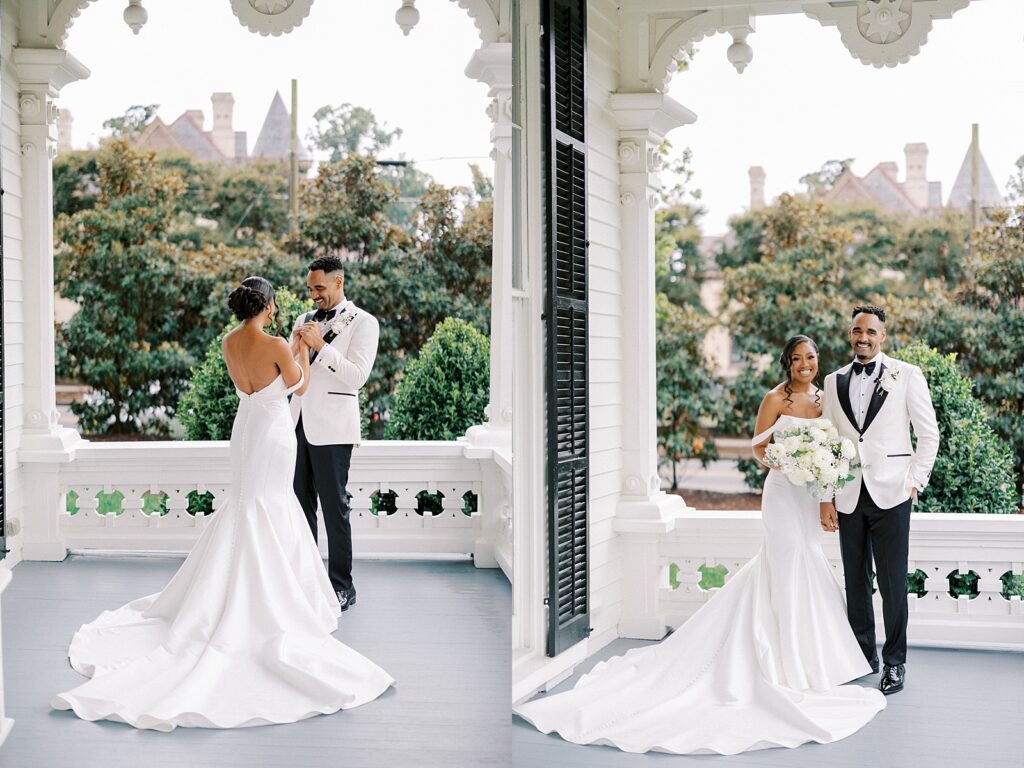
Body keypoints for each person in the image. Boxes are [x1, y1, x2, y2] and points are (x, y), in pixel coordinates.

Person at [512, 335, 885, 755]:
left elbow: (834, 451)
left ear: (819, 361)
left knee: (807, 559)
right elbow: (759, 447)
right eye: (797, 359)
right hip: (782, 494)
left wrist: (823, 491)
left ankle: (820, 658)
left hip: (808, 496)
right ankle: (787, 661)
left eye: (811, 358)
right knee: (789, 560)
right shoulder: (775, 398)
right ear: (787, 363)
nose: (805, 365)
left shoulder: (824, 399)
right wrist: (791, 460)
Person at [51, 276, 393, 731]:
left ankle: (236, 587)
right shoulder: (275, 343)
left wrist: (290, 351)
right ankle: (277, 596)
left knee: (249, 502)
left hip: (246, 428)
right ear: (268, 305)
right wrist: (304, 353)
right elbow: (300, 386)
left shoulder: (230, 342)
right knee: (272, 503)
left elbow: (262, 379)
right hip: (273, 432)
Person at [819, 305, 939, 695]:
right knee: (855, 581)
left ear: (882, 335)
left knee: (891, 584)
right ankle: (862, 654)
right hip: (849, 494)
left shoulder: (907, 375)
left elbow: (929, 435)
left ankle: (894, 662)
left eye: (871, 331)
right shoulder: (833, 380)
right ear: (850, 334)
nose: (863, 337)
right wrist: (826, 495)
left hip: (893, 493)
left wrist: (914, 482)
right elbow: (828, 444)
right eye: (857, 331)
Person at [290, 256, 380, 611]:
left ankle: (342, 586)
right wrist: (296, 349)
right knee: (299, 507)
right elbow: (292, 373)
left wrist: (321, 348)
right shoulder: (302, 320)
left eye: (320, 288)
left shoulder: (364, 322)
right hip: (296, 423)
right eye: (310, 289)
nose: (314, 296)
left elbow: (357, 376)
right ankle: (307, 580)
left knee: (334, 508)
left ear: (339, 282)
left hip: (334, 428)